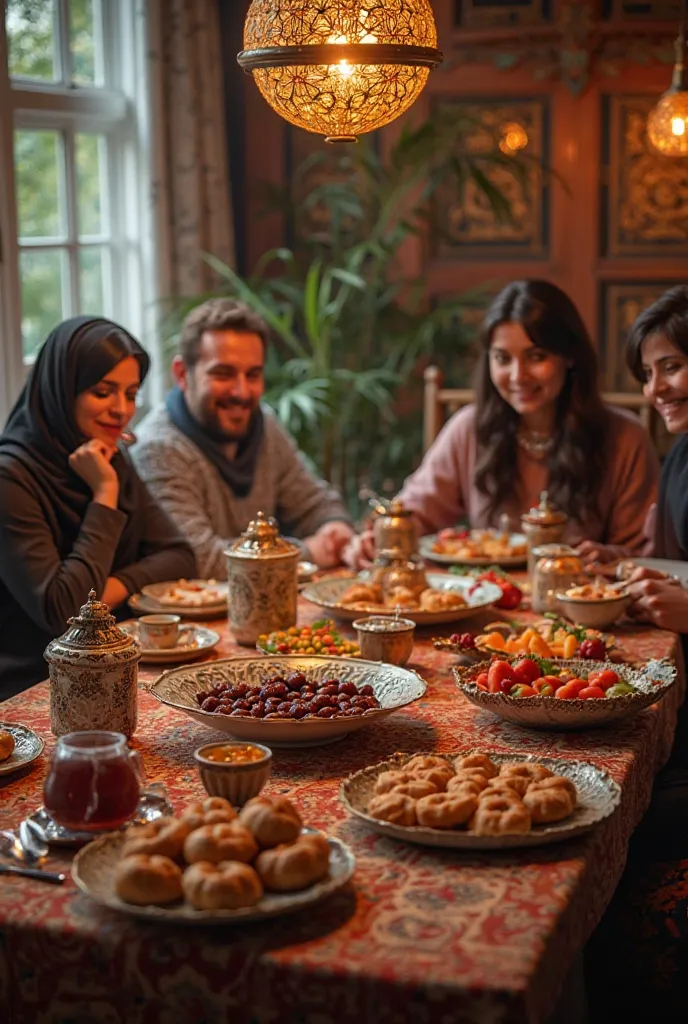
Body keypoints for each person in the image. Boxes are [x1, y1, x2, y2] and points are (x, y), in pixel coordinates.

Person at [344, 279, 659, 568]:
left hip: (580, 607)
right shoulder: (469, 429)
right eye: (502, 359)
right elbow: (416, 512)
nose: (518, 376)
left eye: (536, 357)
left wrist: (607, 557)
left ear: (570, 356)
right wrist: (380, 537)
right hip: (483, 603)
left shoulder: (624, 437)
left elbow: (648, 554)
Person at [0, 316, 196, 700]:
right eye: (104, 391)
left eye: (131, 393)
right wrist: (104, 493)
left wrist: (107, 591)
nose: (121, 409)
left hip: (112, 665)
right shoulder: (10, 478)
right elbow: (64, 613)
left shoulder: (108, 454)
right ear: (62, 389)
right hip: (34, 685)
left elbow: (180, 556)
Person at [132, 299, 354, 579]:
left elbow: (314, 503)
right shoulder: (157, 448)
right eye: (223, 374)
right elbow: (197, 559)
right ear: (182, 374)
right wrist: (308, 553)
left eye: (253, 375)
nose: (242, 392)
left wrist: (336, 529)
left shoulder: (265, 424)